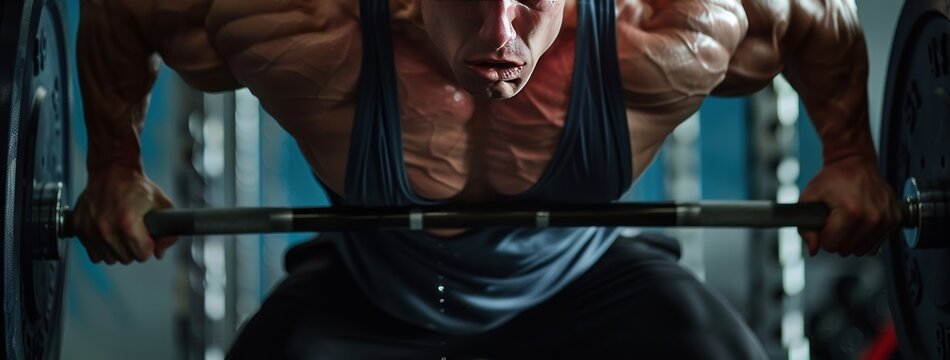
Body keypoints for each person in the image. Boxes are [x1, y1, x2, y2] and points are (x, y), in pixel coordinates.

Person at [73, 0, 901, 357]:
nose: (501, 32)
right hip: (371, 297)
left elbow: (812, 20)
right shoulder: (311, 29)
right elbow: (125, 15)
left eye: (529, 3)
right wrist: (115, 166)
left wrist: (852, 159)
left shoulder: (658, 32)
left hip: (586, 284)